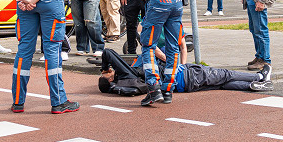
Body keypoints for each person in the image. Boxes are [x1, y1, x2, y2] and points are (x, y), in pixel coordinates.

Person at [98, 46, 272, 96]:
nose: (112, 70)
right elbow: (107, 52)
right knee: (224, 74)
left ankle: (251, 85)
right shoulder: (127, 74)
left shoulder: (123, 84)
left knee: (222, 84)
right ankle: (259, 76)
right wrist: (105, 68)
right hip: (185, 74)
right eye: (109, 73)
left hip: (183, 87)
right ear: (110, 77)